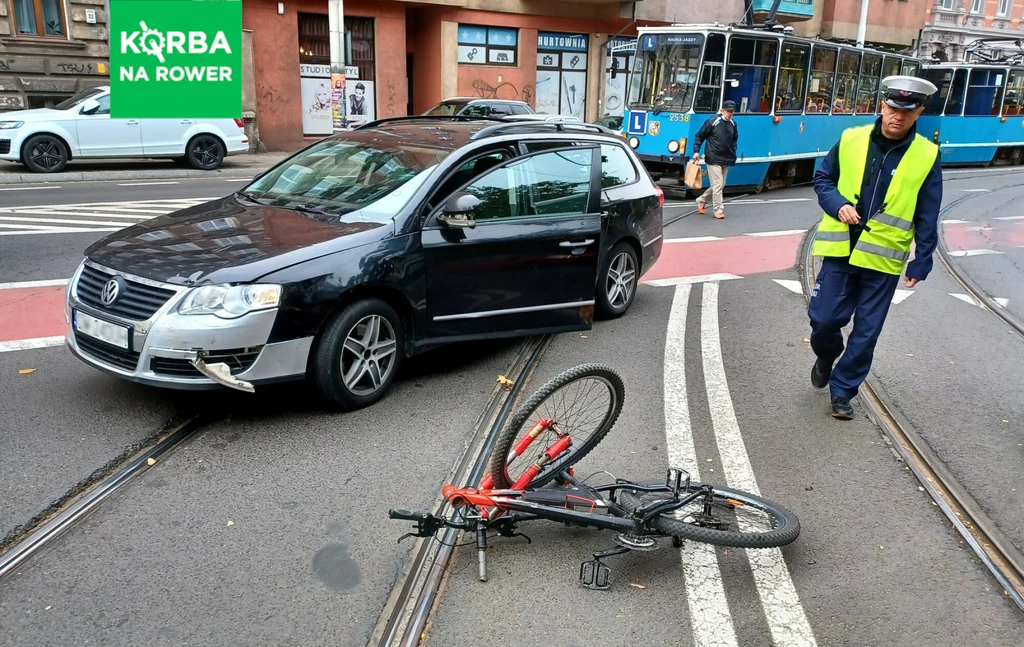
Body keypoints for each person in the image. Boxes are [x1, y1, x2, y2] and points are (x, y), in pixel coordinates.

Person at [807, 76, 942, 419]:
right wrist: (837, 204)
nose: (898, 116)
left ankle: (842, 393)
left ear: (918, 114)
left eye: (907, 112)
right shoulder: (851, 139)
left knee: (866, 333)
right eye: (893, 108)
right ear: (882, 106)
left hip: (883, 260)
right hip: (841, 250)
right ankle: (827, 354)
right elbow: (822, 179)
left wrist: (921, 260)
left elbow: (928, 211)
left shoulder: (927, 155)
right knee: (823, 319)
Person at [691, 100, 738, 219]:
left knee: (720, 185)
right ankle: (718, 209)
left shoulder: (733, 123)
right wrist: (696, 151)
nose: (730, 114)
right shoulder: (713, 121)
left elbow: (734, 139)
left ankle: (701, 200)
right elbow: (699, 136)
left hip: (726, 158)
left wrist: (733, 150)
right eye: (728, 111)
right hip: (713, 157)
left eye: (732, 112)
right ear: (722, 110)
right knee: (718, 185)